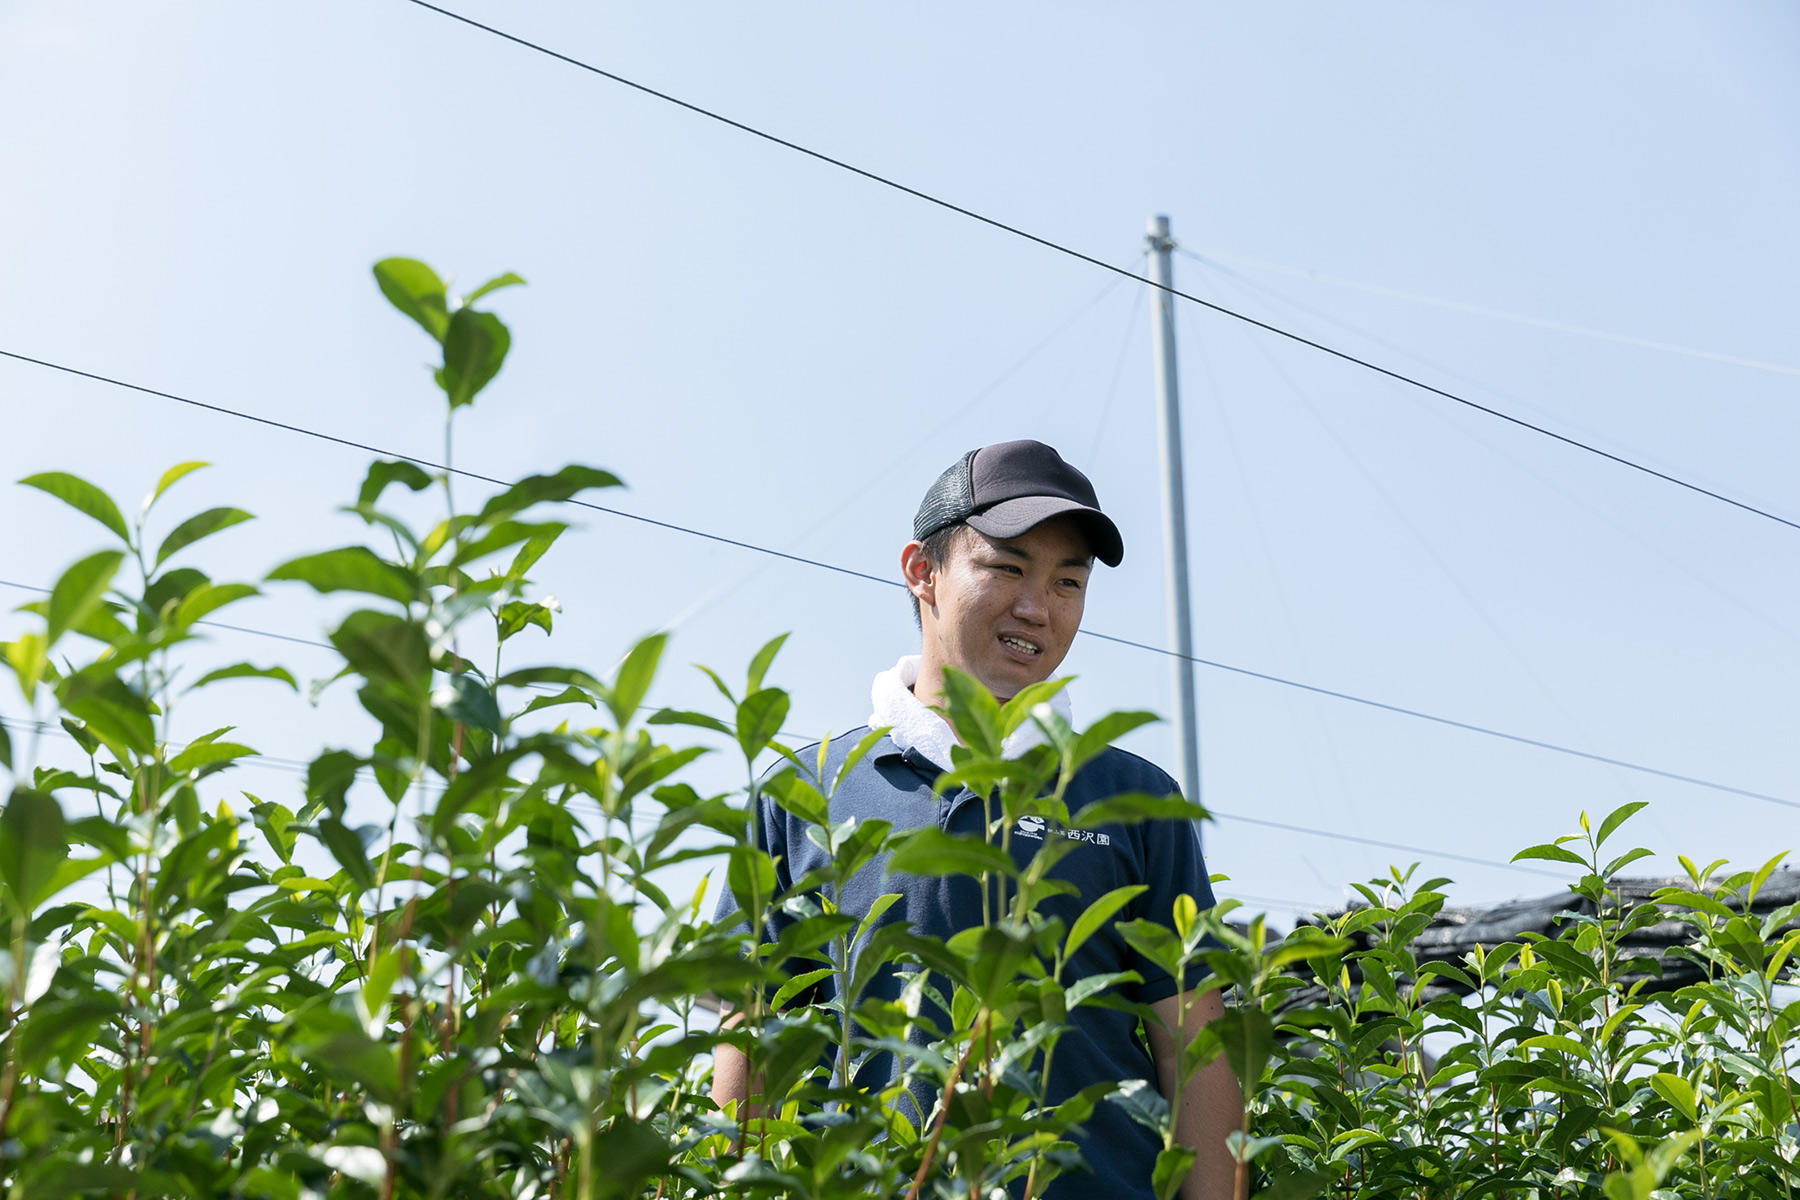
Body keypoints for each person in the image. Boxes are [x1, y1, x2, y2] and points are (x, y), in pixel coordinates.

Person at [712, 439, 1243, 1200]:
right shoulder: (805, 793)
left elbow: (1194, 1048)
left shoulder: (1133, 799)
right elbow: (753, 1038)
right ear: (922, 572)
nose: (1038, 607)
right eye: (1007, 568)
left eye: (1069, 582)